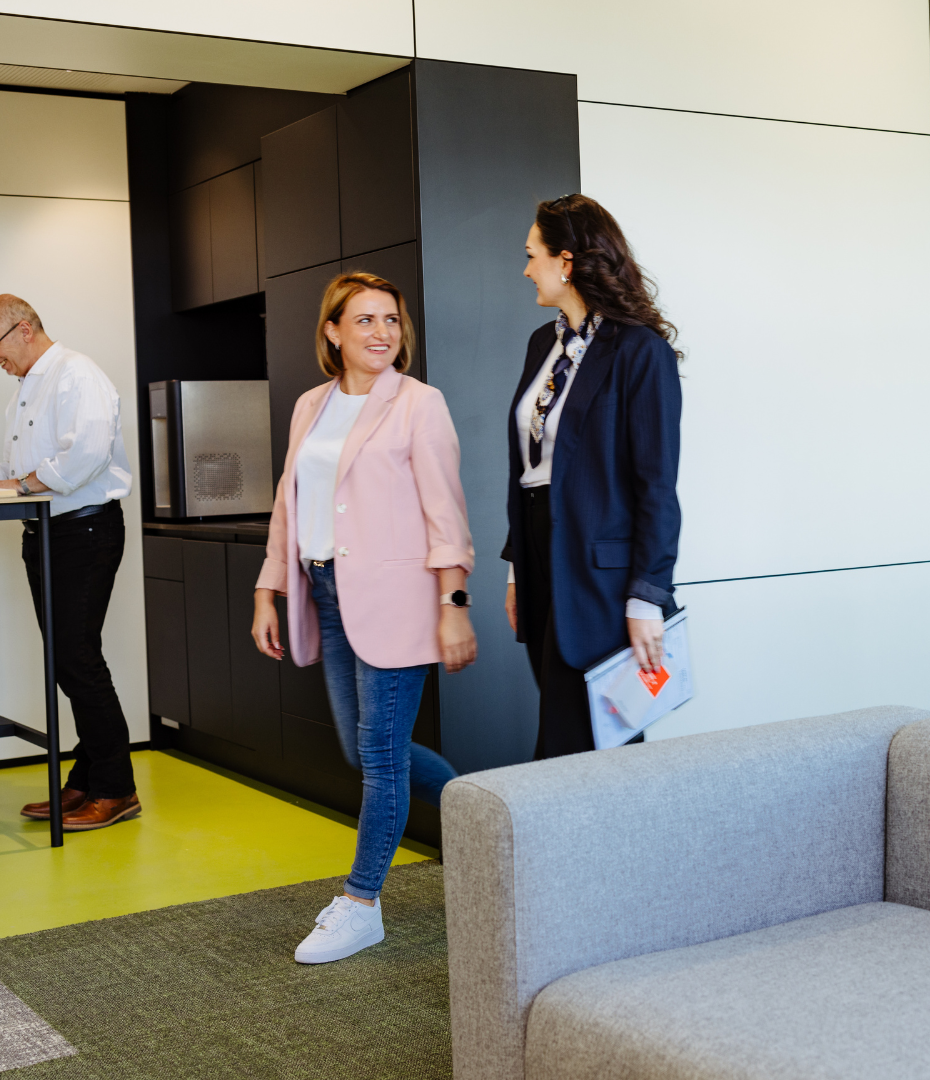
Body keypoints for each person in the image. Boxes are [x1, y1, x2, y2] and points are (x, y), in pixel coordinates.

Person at [250, 272, 476, 964]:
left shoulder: (419, 404)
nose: (382, 333)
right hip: (325, 591)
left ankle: (361, 903)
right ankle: (490, 817)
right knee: (363, 750)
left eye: (391, 320)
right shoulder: (311, 405)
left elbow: (446, 511)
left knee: (379, 755)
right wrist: (268, 588)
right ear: (333, 331)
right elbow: (289, 503)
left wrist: (454, 605)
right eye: (365, 320)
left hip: (398, 597)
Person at [0, 295, 139, 830]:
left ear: (23, 330)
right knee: (67, 661)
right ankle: (87, 780)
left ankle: (116, 789)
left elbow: (85, 456)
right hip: (46, 532)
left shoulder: (76, 374)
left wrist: (20, 486)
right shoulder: (27, 387)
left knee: (77, 660)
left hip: (84, 530)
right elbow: (19, 465)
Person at [503, 195, 682, 760]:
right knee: (590, 739)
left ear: (566, 261)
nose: (525, 269)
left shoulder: (640, 351)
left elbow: (656, 486)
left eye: (531, 255)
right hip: (539, 554)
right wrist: (516, 566)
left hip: (600, 575)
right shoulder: (542, 343)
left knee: (584, 740)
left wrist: (647, 598)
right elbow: (531, 465)